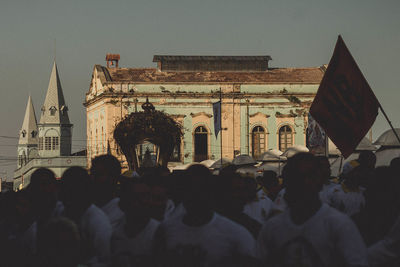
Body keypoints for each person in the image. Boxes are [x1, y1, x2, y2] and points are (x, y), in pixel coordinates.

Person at [257, 152, 368, 267]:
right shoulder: (272, 228)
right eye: (296, 178)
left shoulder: (339, 225)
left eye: (310, 177)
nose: (304, 183)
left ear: (319, 182)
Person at [154, 164, 257, 266]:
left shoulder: (237, 234)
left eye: (202, 189)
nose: (197, 197)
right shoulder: (165, 230)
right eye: (191, 191)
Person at [60, 166, 112, 267]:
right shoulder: (62, 213)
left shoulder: (98, 222)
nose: (67, 196)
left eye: (72, 191)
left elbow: (107, 260)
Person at [111, 179, 160, 266]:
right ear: (124, 203)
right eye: (138, 197)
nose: (145, 202)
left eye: (147, 196)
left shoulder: (159, 233)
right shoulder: (116, 235)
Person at [215, 172, 262, 239]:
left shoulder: (253, 226)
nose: (241, 195)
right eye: (236, 190)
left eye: (243, 190)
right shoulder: (212, 226)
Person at [90, 154, 124, 230]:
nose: (93, 178)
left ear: (114, 178)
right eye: (92, 173)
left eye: (99, 174)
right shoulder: (86, 209)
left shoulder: (124, 214)